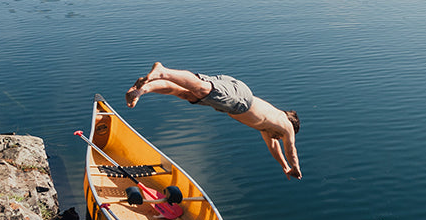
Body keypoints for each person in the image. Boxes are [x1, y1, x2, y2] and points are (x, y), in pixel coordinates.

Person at [126, 62, 302, 179]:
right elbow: (291, 149)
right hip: (240, 100)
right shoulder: (285, 124)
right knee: (201, 88)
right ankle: (163, 72)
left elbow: (274, 147)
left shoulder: (267, 127)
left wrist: (285, 167)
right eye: (281, 136)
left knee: (185, 93)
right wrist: (296, 167)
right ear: (290, 124)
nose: (278, 138)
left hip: (231, 102)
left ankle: (142, 89)